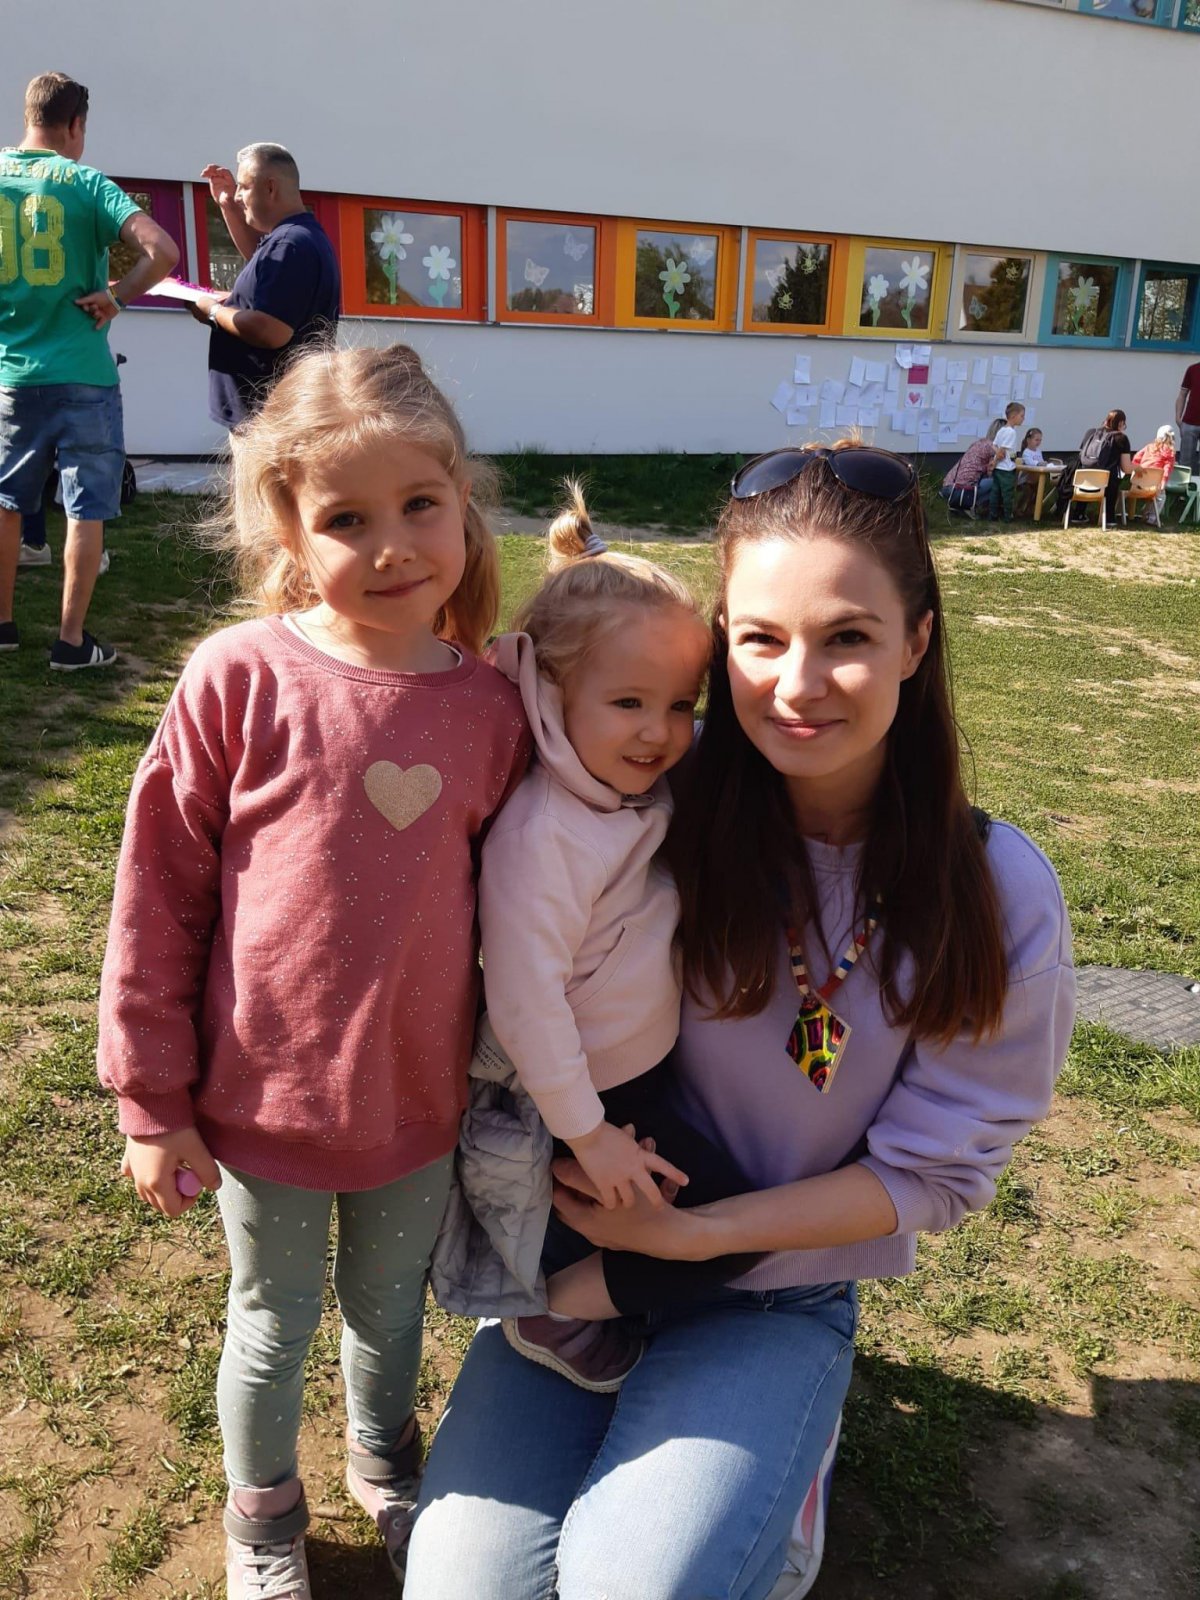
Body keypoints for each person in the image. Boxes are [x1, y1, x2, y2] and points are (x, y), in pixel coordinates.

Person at [403, 442, 1075, 1600]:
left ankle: (787, 1472)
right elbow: (478, 725)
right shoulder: (649, 788)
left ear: (917, 640)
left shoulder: (998, 890)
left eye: (847, 636)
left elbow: (934, 1172)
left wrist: (700, 1238)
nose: (798, 684)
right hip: (581, 1260)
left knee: (635, 1588)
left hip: (774, 1284)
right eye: (760, 639)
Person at [96, 344, 530, 1597]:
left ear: (462, 502)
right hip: (263, 1107)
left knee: (391, 1314)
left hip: (417, 1103)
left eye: (419, 505)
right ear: (287, 526)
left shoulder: (493, 709)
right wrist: (153, 1100)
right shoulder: (238, 678)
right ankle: (264, 1517)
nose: (392, 546)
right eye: (347, 519)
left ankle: (386, 1467)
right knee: (273, 1321)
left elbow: (545, 886)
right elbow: (158, 895)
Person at [443, 487, 768, 1393]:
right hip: (586, 1094)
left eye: (679, 704)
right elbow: (525, 1002)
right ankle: (555, 1309)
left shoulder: (614, 783)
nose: (660, 734)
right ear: (551, 692)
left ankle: (603, 1291)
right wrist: (590, 1138)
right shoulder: (546, 834)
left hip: (635, 1074)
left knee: (719, 1216)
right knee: (732, 1228)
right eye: (629, 702)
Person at [0, 72, 177, 667]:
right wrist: (118, 295)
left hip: (12, 375)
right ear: (75, 125)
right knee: (84, 508)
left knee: (6, 501)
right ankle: (71, 642)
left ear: (29, 116)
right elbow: (163, 251)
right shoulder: (86, 182)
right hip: (83, 375)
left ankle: (2, 627)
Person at [192, 144, 340, 430]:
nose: (238, 196)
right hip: (279, 413)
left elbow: (272, 330)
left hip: (270, 418)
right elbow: (264, 272)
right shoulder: (296, 237)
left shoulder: (289, 244)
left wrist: (212, 311)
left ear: (270, 188)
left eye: (243, 187)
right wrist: (227, 206)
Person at [1073, 408, 1133, 524]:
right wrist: (1139, 468)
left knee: (1090, 471)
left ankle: (1078, 514)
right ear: (1121, 423)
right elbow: (1126, 468)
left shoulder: (1091, 432)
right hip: (1106, 484)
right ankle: (1109, 517)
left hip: (1082, 480)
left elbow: (1082, 454)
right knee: (1113, 477)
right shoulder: (1121, 438)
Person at [938, 433, 997, 515]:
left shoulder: (978, 443)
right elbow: (991, 471)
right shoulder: (992, 447)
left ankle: (960, 504)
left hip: (947, 487)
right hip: (961, 490)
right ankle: (969, 505)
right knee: (998, 482)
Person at [1131, 424, 1177, 525]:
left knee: (1152, 494)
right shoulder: (1170, 453)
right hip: (1154, 486)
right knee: (1161, 496)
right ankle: (1151, 517)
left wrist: (1136, 471)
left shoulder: (1149, 447)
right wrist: (1163, 484)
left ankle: (1140, 513)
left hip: (1137, 484)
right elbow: (1166, 470)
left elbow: (1135, 459)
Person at [988, 401, 1026, 521]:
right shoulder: (1011, 432)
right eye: (1022, 416)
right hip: (1006, 469)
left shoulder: (1002, 430)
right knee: (1007, 493)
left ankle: (993, 514)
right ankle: (1007, 516)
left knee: (995, 492)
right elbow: (1002, 451)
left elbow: (994, 445)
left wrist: (996, 460)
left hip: (998, 469)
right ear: (1013, 416)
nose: (1023, 419)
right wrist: (996, 460)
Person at [1175, 360, 1200, 474]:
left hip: (1190, 424)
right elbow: (1182, 394)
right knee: (1185, 464)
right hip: (1189, 423)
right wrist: (1178, 418)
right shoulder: (1193, 369)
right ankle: (1185, 485)